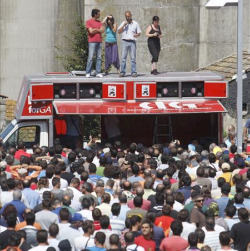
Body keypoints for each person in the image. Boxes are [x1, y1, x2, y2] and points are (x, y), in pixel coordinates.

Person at [118, 11, 141, 77]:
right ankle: (122, 72)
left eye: (128, 16)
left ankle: (133, 72)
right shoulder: (123, 23)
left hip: (132, 42)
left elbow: (139, 32)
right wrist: (123, 25)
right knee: (123, 58)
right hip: (124, 42)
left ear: (131, 15)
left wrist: (137, 35)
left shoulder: (135, 23)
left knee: (133, 58)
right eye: (126, 17)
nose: (128, 18)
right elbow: (119, 32)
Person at [85, 9, 104, 78]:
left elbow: (102, 30)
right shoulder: (88, 22)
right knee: (90, 57)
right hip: (92, 41)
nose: (100, 15)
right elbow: (91, 32)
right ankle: (88, 72)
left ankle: (98, 72)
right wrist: (98, 30)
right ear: (95, 14)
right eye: (99, 14)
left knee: (99, 57)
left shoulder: (100, 22)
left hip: (99, 41)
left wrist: (95, 29)